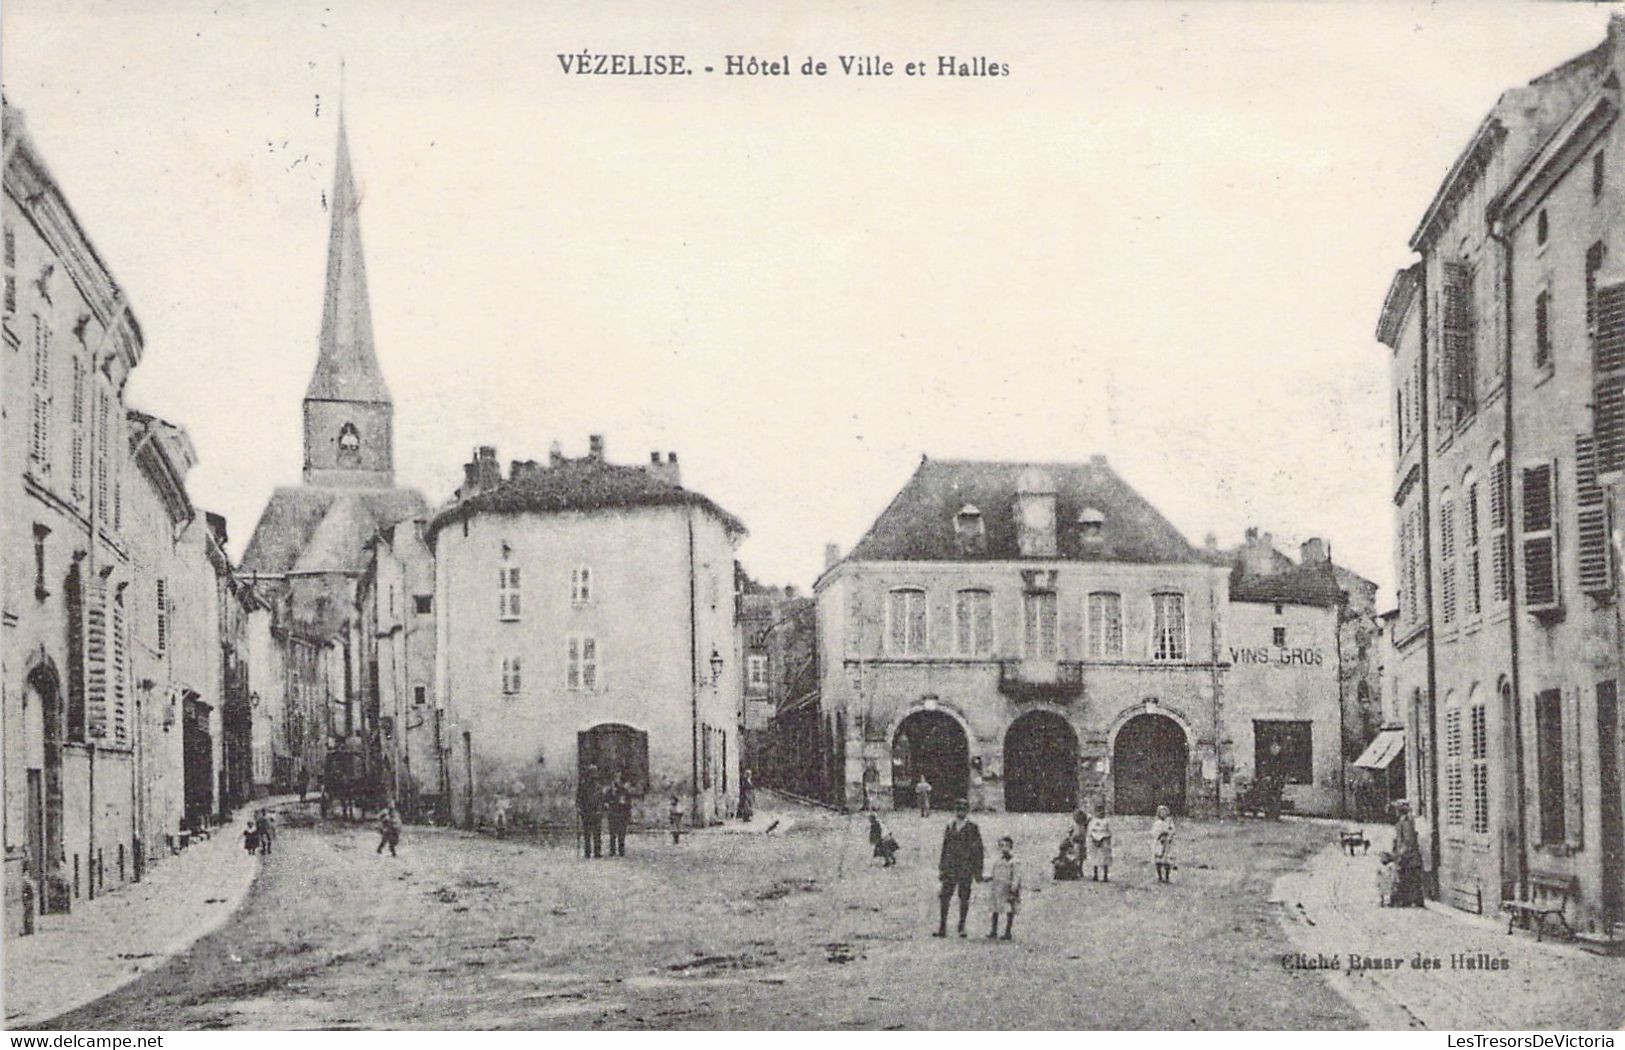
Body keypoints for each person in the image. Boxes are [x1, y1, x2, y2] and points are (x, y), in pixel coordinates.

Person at [934, 799, 984, 938]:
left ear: (967, 811)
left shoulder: (972, 827)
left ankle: (961, 927)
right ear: (955, 810)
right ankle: (942, 927)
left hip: (965, 868)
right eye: (958, 808)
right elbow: (945, 848)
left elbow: (978, 850)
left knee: (963, 897)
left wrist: (977, 871)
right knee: (945, 897)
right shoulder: (950, 826)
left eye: (963, 808)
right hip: (950, 867)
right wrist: (942, 867)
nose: (960, 811)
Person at [987, 835, 1022, 939]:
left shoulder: (1014, 861)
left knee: (1009, 909)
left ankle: (1008, 931)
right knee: (995, 908)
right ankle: (994, 930)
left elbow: (1016, 876)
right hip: (997, 887)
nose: (1004, 848)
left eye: (1007, 845)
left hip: (1008, 888)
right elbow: (993, 873)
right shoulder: (997, 860)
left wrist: (1013, 889)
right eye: (1002, 846)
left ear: (1011, 847)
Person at [1390, 800, 1423, 907]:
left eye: (1397, 809)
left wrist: (1400, 855)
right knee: (1405, 878)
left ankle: (1409, 900)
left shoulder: (1406, 822)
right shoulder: (1402, 822)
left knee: (1409, 878)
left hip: (1409, 857)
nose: (1395, 812)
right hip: (1406, 856)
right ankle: (1406, 899)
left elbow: (1408, 841)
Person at [577, 763, 604, 859]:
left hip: (596, 812)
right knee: (587, 833)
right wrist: (580, 808)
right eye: (591, 774)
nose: (593, 777)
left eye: (594, 774)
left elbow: (601, 799)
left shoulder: (599, 787)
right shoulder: (583, 787)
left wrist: (600, 810)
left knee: (597, 833)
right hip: (587, 812)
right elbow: (579, 799)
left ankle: (597, 851)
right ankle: (587, 852)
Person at [604, 775, 633, 857]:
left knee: (621, 834)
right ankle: (612, 850)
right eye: (615, 780)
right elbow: (605, 801)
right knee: (612, 833)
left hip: (621, 815)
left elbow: (629, 803)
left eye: (618, 780)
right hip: (612, 814)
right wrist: (607, 805)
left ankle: (621, 850)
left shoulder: (624, 791)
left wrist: (626, 809)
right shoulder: (609, 791)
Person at [1087, 806, 1113, 882]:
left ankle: (1105, 875)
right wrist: (1094, 839)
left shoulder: (1106, 821)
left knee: (1105, 858)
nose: (1101, 814)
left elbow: (1109, 832)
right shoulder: (1092, 822)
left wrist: (1104, 839)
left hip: (1104, 840)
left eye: (1102, 812)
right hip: (1094, 841)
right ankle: (1095, 875)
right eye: (1099, 812)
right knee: (1094, 857)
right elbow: (1090, 832)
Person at [1151, 804, 1175, 883]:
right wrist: (1160, 835)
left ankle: (1167, 876)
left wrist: (1169, 835)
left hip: (1167, 843)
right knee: (1159, 860)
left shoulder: (1169, 822)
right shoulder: (1157, 823)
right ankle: (1160, 876)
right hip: (1159, 843)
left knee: (1167, 860)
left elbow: (1172, 831)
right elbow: (1154, 832)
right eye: (1161, 812)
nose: (1163, 814)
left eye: (1164, 812)